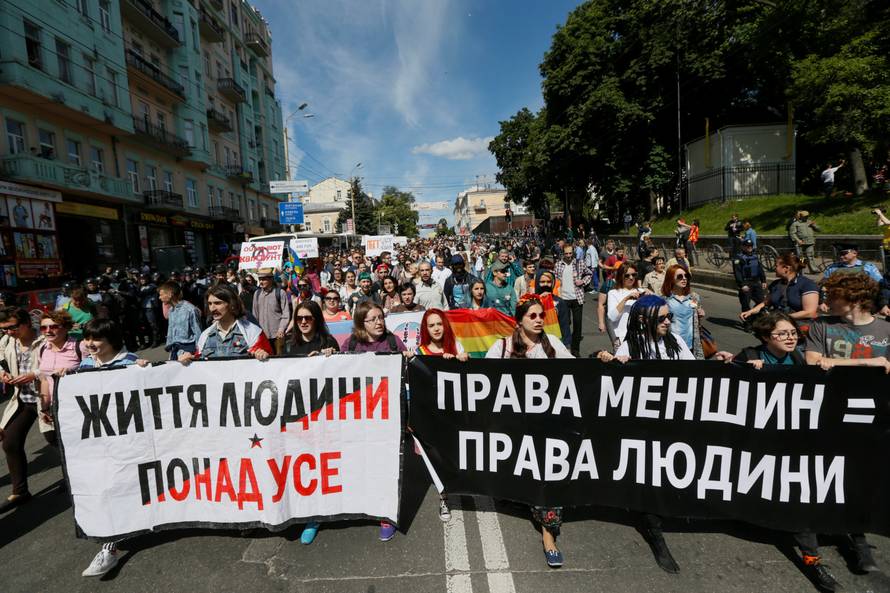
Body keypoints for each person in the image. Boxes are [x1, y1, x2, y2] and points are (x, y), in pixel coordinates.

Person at [715, 312, 840, 591]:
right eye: (782, 334)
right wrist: (742, 369)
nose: (791, 337)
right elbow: (724, 388)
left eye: (793, 332)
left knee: (800, 494)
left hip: (793, 443)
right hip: (757, 443)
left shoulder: (799, 358)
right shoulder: (749, 354)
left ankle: (811, 557)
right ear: (764, 337)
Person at [805, 273, 889, 580]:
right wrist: (868, 364)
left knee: (859, 480)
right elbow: (813, 360)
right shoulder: (823, 326)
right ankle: (812, 532)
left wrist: (835, 363)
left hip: (871, 421)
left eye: (833, 294)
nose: (826, 300)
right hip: (828, 415)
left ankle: (859, 539)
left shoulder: (885, 331)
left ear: (852, 297)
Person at [485, 295, 571, 568]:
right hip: (514, 430)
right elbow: (479, 380)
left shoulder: (553, 345)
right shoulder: (502, 348)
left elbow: (579, 371)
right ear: (519, 320)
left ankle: (548, 537)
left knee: (547, 483)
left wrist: (603, 359)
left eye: (541, 315)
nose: (538, 320)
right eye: (532, 316)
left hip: (547, 430)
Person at [76, 319, 149, 577]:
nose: (90, 344)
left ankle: (111, 547)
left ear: (111, 340)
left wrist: (145, 371)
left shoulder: (130, 362)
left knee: (122, 488)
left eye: (96, 339)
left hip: (128, 440)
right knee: (109, 489)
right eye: (87, 338)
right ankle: (111, 547)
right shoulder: (84, 365)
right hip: (98, 442)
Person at [343, 301, 406, 542]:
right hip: (359, 416)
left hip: (389, 415)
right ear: (361, 323)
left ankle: (386, 515)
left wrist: (406, 358)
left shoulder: (393, 342)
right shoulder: (350, 345)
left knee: (387, 465)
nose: (379, 322)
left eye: (381, 317)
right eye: (373, 319)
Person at [0, 308, 47, 513]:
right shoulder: (6, 341)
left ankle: (78, 484)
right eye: (4, 329)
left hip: (45, 399)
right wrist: (2, 373)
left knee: (57, 441)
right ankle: (20, 492)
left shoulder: (45, 337)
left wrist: (33, 374)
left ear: (27, 322)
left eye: (12, 327)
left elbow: (62, 362)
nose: (9, 332)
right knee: (10, 442)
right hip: (22, 400)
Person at [181, 285, 272, 362]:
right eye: (210, 304)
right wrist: (190, 359)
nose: (212, 308)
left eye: (217, 303)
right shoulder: (205, 336)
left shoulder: (253, 332)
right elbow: (199, 363)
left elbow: (271, 364)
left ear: (231, 304)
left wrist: (264, 355)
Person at [739, 253, 819, 328]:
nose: (774, 268)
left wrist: (781, 318)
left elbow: (810, 312)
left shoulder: (807, 284)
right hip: (778, 326)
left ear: (786, 268)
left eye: (776, 266)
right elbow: (766, 302)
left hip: (800, 327)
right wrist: (750, 311)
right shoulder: (775, 284)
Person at [554, 243, 591, 357]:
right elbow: (554, 280)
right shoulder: (558, 265)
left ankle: (575, 350)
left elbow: (589, 274)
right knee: (565, 324)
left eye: (570, 253)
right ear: (563, 253)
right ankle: (564, 348)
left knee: (577, 324)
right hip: (563, 298)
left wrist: (583, 281)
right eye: (566, 253)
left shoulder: (580, 263)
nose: (569, 255)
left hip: (577, 298)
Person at [661, 265, 705, 358]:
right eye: (680, 276)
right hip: (672, 345)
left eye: (686, 276)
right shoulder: (664, 300)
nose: (684, 279)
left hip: (692, 345)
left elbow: (696, 319)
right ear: (671, 279)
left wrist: (700, 314)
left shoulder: (694, 297)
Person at [158, 281, 202, 361]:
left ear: (170, 294)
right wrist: (170, 348)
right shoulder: (171, 310)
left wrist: (198, 353)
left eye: (161, 295)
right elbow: (171, 331)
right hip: (175, 350)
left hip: (188, 351)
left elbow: (198, 332)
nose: (159, 297)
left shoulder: (190, 309)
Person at [607, 264, 647, 349]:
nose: (631, 278)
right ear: (620, 276)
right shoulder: (614, 293)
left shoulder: (641, 292)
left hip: (641, 336)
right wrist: (626, 299)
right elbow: (612, 317)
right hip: (622, 337)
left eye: (634, 275)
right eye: (627, 275)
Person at [251, 269, 291, 355]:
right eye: (260, 279)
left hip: (277, 336)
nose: (261, 282)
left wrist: (281, 329)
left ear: (271, 279)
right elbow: (255, 315)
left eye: (264, 279)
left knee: (279, 360)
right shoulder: (257, 294)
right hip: (262, 336)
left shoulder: (280, 293)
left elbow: (286, 314)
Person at [732, 239, 767, 313]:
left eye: (751, 246)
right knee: (745, 304)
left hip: (756, 282)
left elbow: (760, 269)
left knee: (761, 302)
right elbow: (737, 273)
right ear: (743, 247)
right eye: (747, 246)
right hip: (746, 283)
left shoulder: (755, 256)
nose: (749, 247)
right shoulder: (738, 258)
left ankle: (757, 316)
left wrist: (763, 280)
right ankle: (747, 322)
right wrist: (742, 285)